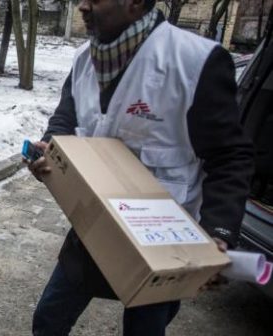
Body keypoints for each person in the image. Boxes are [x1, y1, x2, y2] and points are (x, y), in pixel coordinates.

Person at [26, 0, 254, 334]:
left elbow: (230, 156)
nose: (83, 6)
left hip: (163, 240)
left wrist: (217, 232)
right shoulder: (83, 59)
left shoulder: (195, 61)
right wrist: (50, 147)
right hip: (94, 227)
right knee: (48, 321)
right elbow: (66, 117)